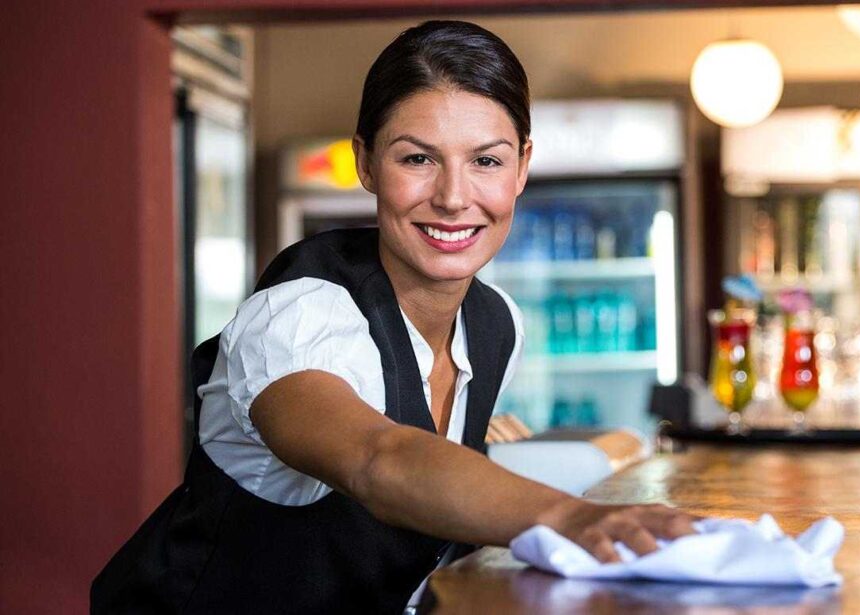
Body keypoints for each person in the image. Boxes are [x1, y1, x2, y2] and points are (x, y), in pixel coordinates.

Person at [91, 20, 698, 614]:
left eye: (486, 161)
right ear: (366, 162)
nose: (454, 196)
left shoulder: (497, 326)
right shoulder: (297, 318)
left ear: (522, 166)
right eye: (417, 159)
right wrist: (573, 518)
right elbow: (379, 458)